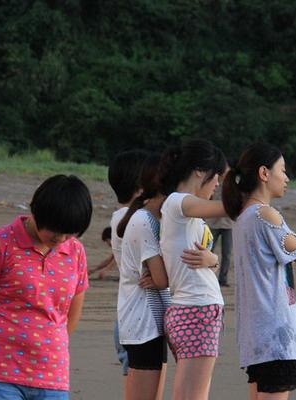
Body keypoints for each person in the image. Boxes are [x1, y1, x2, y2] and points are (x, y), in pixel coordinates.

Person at [0, 174, 93, 400]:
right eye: (55, 231)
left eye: (70, 233)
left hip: (52, 378)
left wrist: (44, 347)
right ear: (37, 212)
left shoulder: (76, 252)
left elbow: (69, 317)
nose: (61, 238)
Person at [221, 142, 296, 400]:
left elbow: (291, 251)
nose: (286, 178)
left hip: (257, 333)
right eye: (282, 170)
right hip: (274, 333)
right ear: (264, 173)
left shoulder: (246, 215)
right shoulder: (266, 215)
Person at [158, 139, 228, 400]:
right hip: (197, 310)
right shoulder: (179, 202)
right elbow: (228, 208)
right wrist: (253, 192)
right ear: (199, 171)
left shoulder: (182, 208)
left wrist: (213, 260)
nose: (217, 183)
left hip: (193, 309)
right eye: (217, 175)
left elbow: (204, 262)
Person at [116, 153, 171, 400]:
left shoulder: (157, 218)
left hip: (152, 323)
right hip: (142, 325)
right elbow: (161, 280)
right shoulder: (144, 220)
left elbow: (161, 278)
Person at [108, 149, 149, 382]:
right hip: (138, 319)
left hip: (129, 314)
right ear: (140, 185)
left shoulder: (121, 216)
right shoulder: (134, 218)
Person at [206, 188, 233, 287]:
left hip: (228, 224)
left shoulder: (232, 185)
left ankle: (223, 279)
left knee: (227, 253)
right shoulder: (213, 183)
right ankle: (208, 277)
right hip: (213, 223)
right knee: (208, 251)